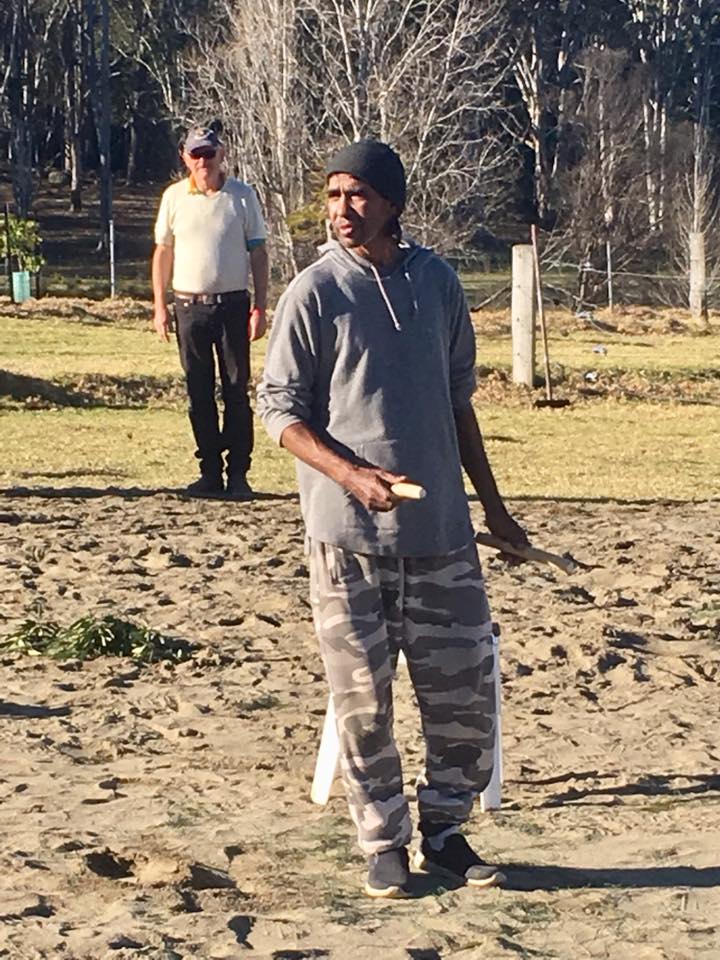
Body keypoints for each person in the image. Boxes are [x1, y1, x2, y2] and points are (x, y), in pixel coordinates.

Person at [256, 139, 528, 898]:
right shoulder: (312, 293)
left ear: (393, 203)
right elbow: (277, 412)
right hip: (348, 543)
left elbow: (459, 402)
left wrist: (495, 510)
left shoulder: (437, 285)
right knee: (364, 703)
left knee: (464, 696)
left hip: (442, 537)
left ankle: (445, 829)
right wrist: (352, 475)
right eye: (334, 195)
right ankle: (383, 840)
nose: (342, 210)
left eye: (358, 196)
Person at [152, 124, 269, 499]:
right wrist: (159, 306)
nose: (203, 161)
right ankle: (209, 473)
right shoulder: (173, 198)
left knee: (236, 391)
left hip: (233, 306)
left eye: (209, 153)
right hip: (189, 307)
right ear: (184, 157)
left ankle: (238, 474)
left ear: (222, 154)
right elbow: (163, 253)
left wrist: (260, 306)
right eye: (196, 154)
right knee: (198, 393)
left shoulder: (241, 196)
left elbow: (259, 252)